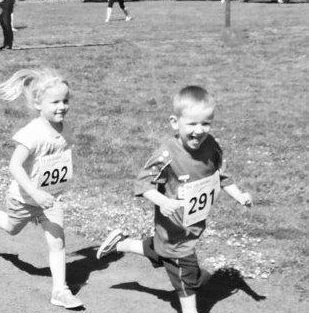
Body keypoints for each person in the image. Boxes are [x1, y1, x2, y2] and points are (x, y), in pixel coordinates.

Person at [96, 86, 253, 313]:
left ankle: (122, 243)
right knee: (187, 281)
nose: (199, 131)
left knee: (163, 253)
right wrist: (163, 202)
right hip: (174, 230)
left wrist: (240, 196)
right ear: (174, 122)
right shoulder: (167, 154)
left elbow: (222, 174)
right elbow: (142, 183)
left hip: (191, 226)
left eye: (206, 123)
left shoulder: (211, 145)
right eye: (192, 124)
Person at [0, 69, 84, 309]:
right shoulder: (32, 133)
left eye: (66, 101)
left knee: (57, 242)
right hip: (23, 198)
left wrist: (55, 188)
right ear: (37, 103)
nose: (62, 107)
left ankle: (60, 291)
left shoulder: (65, 128)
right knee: (11, 229)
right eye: (55, 102)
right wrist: (34, 192)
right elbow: (14, 165)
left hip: (50, 200)